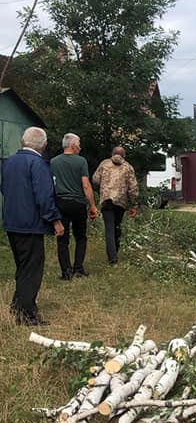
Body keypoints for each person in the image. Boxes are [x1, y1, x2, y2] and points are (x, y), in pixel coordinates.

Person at [1, 127, 64, 326]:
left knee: (22, 266)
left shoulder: (9, 162)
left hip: (12, 221)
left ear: (23, 141)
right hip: (30, 223)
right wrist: (55, 220)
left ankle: (17, 306)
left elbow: (4, 188)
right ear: (44, 145)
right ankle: (26, 314)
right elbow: (44, 196)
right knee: (32, 269)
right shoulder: (38, 164)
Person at [50, 133, 97, 279]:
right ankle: (78, 268)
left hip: (60, 202)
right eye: (79, 144)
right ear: (73, 145)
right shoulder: (81, 161)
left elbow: (51, 183)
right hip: (78, 203)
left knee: (62, 238)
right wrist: (92, 205)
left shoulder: (53, 162)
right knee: (80, 237)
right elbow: (85, 185)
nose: (80, 147)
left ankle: (66, 271)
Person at [92, 146, 138, 264]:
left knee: (109, 229)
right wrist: (134, 204)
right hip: (121, 202)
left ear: (112, 154)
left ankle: (112, 258)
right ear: (124, 155)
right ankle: (115, 252)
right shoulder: (128, 167)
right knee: (117, 227)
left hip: (106, 200)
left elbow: (95, 180)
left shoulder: (104, 164)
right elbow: (133, 188)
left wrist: (100, 190)